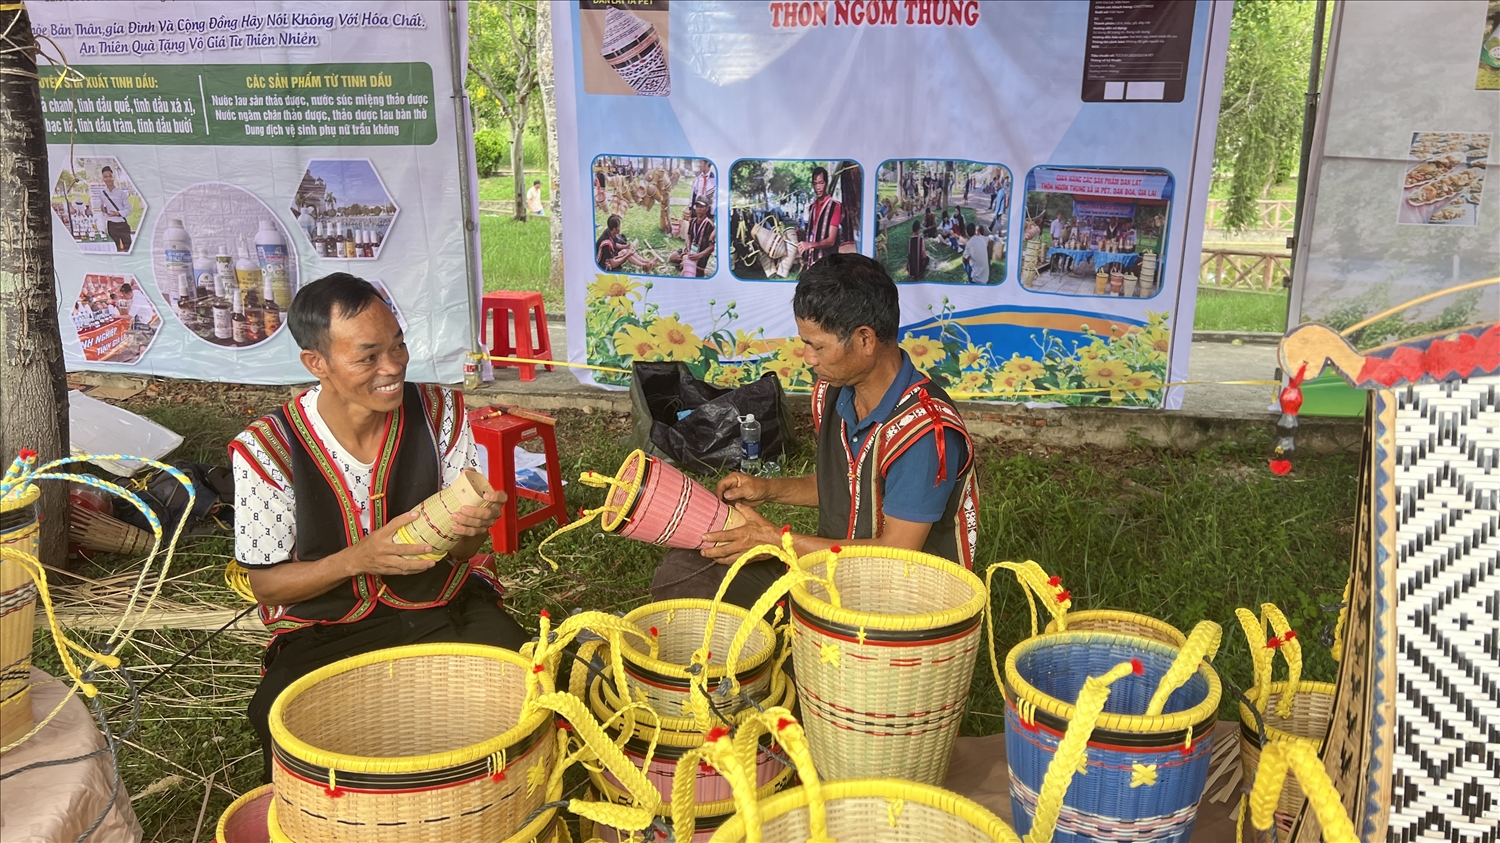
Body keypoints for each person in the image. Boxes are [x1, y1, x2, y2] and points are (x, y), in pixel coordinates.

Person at [232, 273, 529, 783]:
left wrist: (474, 526)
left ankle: (491, 799)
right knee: (280, 715)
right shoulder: (267, 449)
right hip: (328, 629)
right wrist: (356, 559)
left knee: (522, 671)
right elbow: (266, 583)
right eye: (367, 356)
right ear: (316, 363)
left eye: (399, 346)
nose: (392, 367)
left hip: (440, 606)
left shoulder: (440, 413)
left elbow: (464, 552)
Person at [648, 254, 977, 608]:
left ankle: (791, 649)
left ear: (865, 339)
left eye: (816, 346)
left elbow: (894, 555)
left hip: (896, 606)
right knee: (685, 568)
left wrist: (776, 541)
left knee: (704, 582)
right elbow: (846, 485)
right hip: (832, 575)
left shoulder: (925, 432)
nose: (808, 357)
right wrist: (767, 490)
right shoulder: (833, 392)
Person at [797, 166, 843, 269]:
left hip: (828, 264)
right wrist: (801, 234)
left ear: (826, 183)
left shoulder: (835, 206)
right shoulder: (812, 207)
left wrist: (810, 245)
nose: (818, 187)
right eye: (815, 183)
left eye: (821, 183)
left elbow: (831, 240)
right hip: (812, 262)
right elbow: (813, 235)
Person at [94, 165, 134, 252]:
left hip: (122, 224)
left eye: (110, 176)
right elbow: (103, 209)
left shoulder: (121, 193)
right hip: (111, 225)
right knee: (115, 248)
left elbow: (129, 209)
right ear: (103, 179)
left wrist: (118, 213)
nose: (108, 179)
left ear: (113, 177)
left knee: (128, 248)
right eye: (105, 177)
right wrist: (103, 210)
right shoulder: (102, 194)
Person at [673, 199, 715, 277]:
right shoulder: (693, 221)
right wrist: (688, 249)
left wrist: (699, 255)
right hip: (690, 251)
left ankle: (688, 266)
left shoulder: (709, 225)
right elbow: (689, 237)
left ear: (707, 208)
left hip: (700, 257)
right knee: (672, 257)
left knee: (686, 275)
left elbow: (711, 247)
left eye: (701, 207)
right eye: (697, 206)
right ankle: (683, 262)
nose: (698, 209)